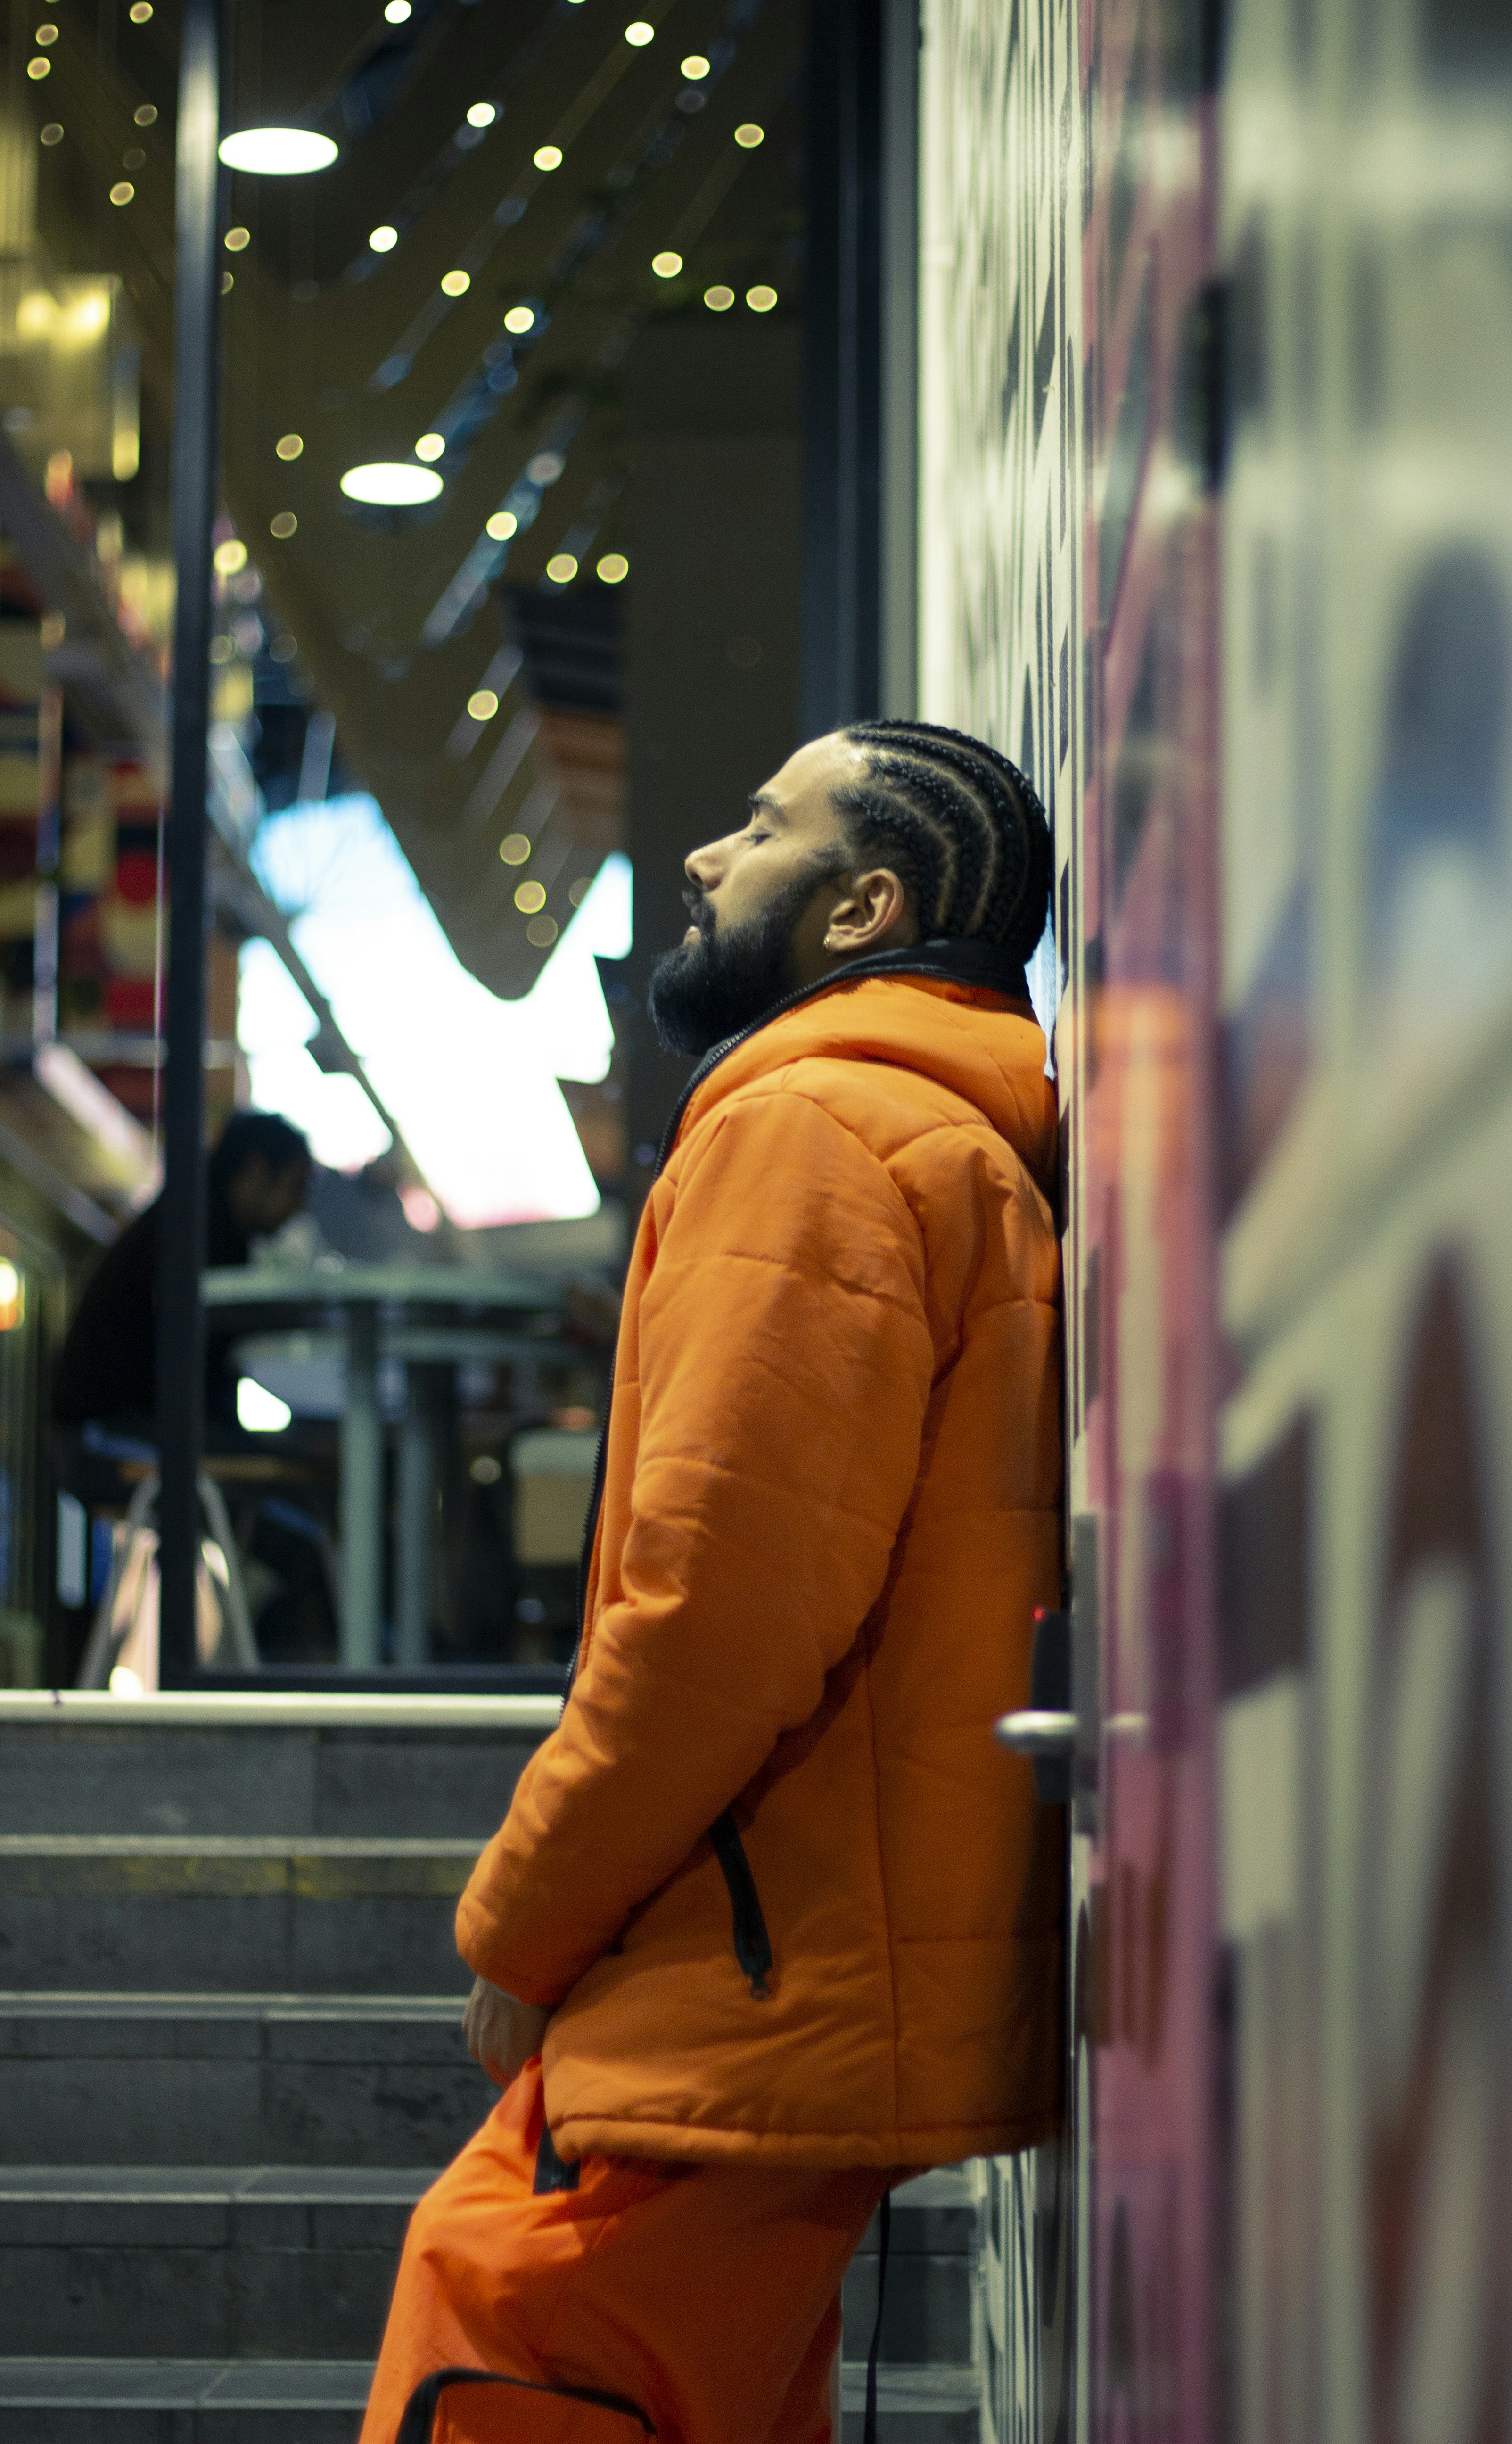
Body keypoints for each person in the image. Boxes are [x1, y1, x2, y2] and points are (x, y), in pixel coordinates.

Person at [362, 722, 1063, 2444]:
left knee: (496, 2325)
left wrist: (526, 1917)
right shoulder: (942, 1144)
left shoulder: (816, 1140)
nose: (703, 855)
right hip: (808, 1958)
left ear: (862, 905)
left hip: (742, 1966)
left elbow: (720, 1612)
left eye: (762, 826)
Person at [53, 1107, 311, 1437]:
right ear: (256, 1169)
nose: (301, 1206)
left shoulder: (197, 1218)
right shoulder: (198, 1232)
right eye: (297, 1186)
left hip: (108, 1426)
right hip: (116, 1432)